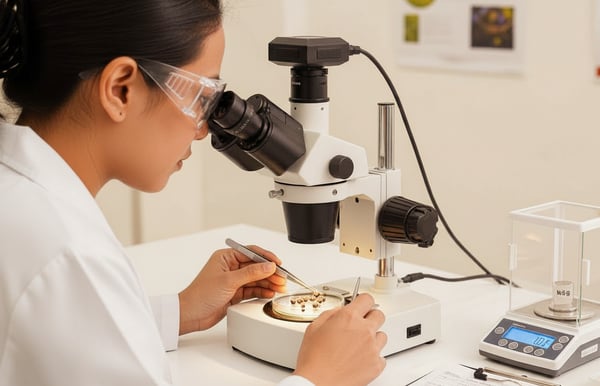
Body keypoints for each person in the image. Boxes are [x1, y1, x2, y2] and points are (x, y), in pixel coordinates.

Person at [0, 1, 387, 385]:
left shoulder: (23, 203)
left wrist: (178, 312)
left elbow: (66, 336)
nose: (203, 131)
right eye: (202, 98)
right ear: (120, 90)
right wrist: (321, 377)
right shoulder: (70, 256)